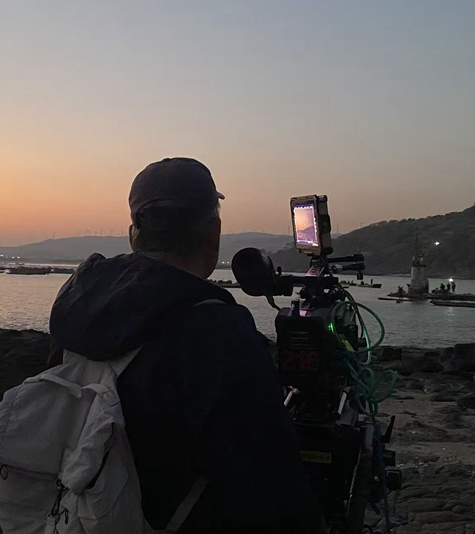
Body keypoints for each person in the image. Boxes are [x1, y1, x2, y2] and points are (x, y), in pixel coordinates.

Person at [48, 157, 317, 533]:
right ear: (214, 233)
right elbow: (272, 488)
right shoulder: (217, 330)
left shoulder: (77, 306)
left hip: (80, 514)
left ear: (133, 234)